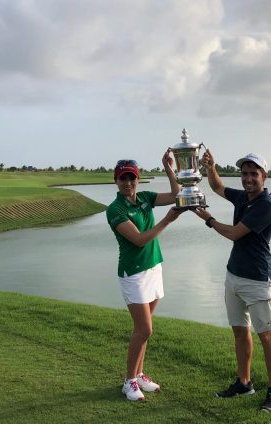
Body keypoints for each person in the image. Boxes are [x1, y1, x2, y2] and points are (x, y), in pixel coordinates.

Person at [193, 150, 271, 412]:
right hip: (234, 275)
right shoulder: (243, 197)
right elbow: (218, 187)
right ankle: (244, 382)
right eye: (244, 173)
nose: (248, 178)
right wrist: (210, 167)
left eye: (253, 173)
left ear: (264, 176)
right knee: (240, 331)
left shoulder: (265, 205)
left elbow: (234, 234)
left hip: (257, 280)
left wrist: (208, 219)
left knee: (266, 336)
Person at [106, 154, 184, 401]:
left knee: (144, 329)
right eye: (123, 178)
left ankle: (139, 374)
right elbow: (139, 240)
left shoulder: (145, 198)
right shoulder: (115, 209)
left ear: (138, 179)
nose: (128, 182)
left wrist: (168, 169)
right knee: (144, 329)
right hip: (134, 273)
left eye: (132, 177)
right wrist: (167, 221)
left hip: (153, 268)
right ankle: (129, 381)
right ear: (116, 181)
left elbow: (175, 195)